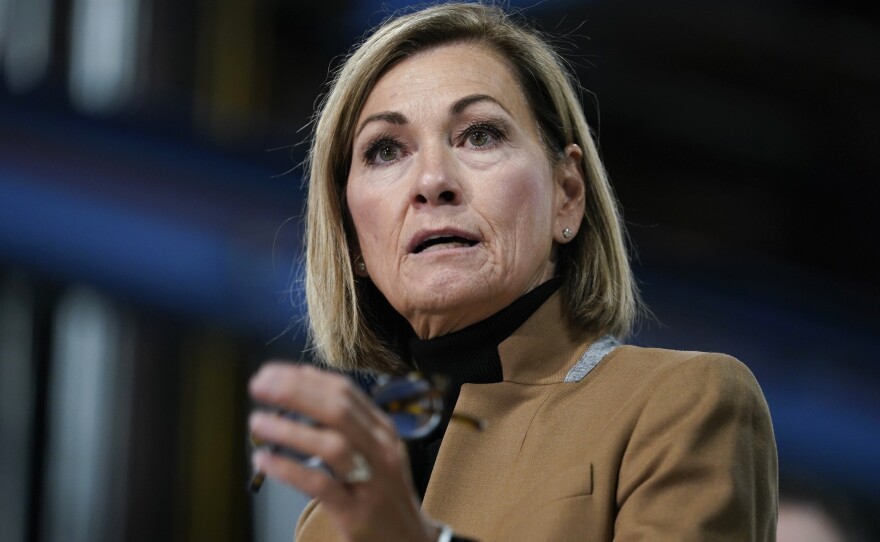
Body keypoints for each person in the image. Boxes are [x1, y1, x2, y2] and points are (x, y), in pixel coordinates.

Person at [247, 3, 778, 541]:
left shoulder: (683, 401)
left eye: (479, 135)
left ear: (567, 196)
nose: (432, 180)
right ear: (352, 236)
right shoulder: (330, 517)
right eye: (386, 150)